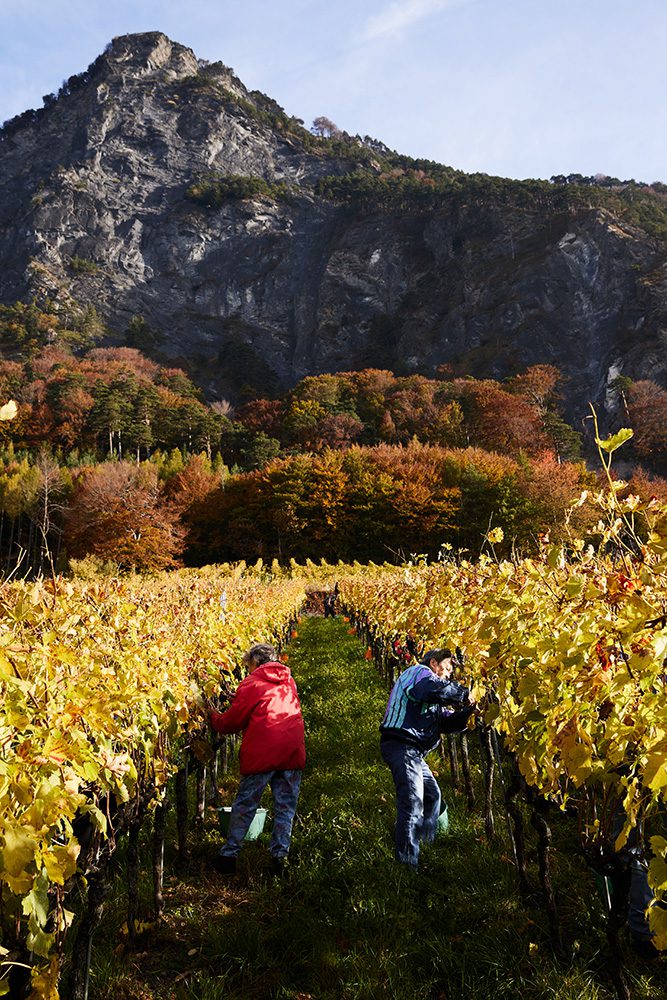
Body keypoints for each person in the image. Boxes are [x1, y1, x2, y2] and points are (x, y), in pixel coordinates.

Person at [209, 642, 306, 876]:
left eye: (249, 665)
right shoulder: (288, 680)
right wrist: (239, 696)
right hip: (291, 751)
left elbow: (231, 723)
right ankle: (279, 859)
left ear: (255, 662)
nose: (248, 670)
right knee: (285, 807)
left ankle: (228, 856)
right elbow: (266, 700)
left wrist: (212, 716)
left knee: (245, 805)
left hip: (263, 753)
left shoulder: (252, 682)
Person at [380, 647, 474, 869]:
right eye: (448, 667)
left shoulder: (432, 697)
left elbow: (445, 721)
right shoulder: (418, 674)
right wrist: (463, 693)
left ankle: (425, 845)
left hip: (412, 751)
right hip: (400, 744)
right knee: (413, 802)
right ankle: (406, 865)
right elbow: (431, 690)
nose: (449, 674)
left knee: (432, 795)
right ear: (434, 663)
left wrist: (471, 713)